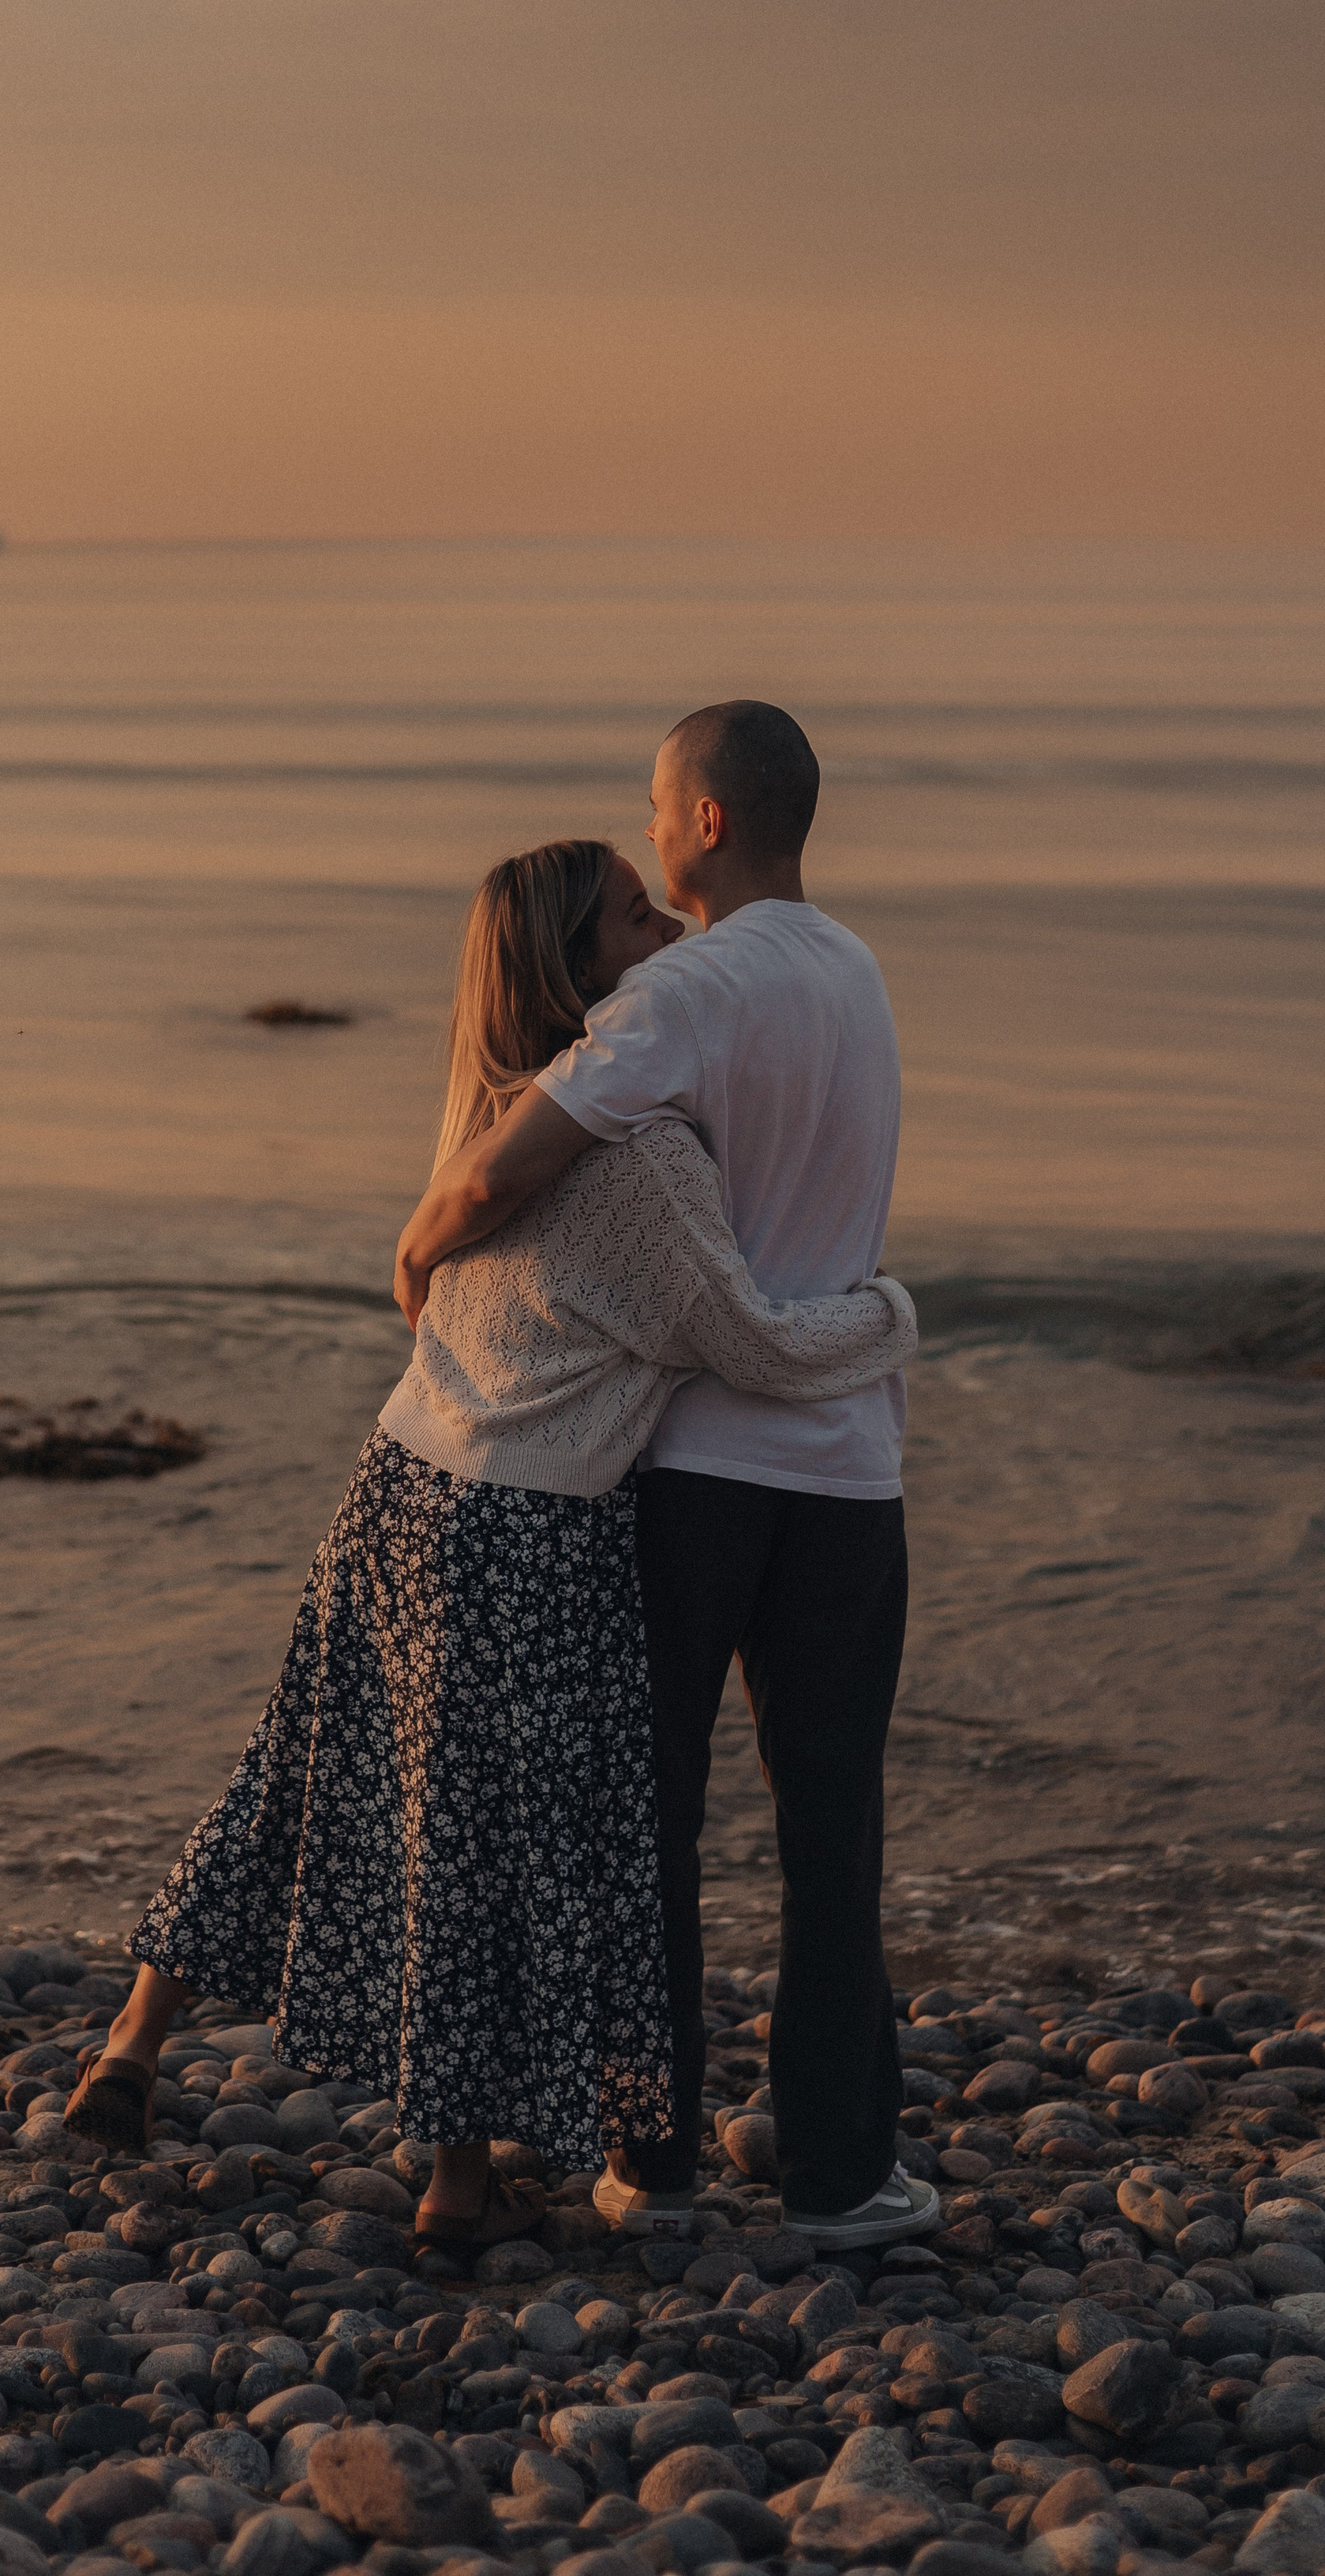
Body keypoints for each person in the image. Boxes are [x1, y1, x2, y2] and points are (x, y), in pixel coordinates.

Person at [69, 835, 918, 2250]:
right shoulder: (640, 1160)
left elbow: (461, 1240)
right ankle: (457, 2187)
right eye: (634, 922)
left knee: (301, 1775)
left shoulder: (488, 1113)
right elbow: (755, 1339)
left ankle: (130, 2045)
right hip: (518, 1528)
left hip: (396, 1484)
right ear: (575, 968)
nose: (664, 932)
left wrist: (409, 1252)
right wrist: (894, 1314)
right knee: (479, 1843)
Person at [392, 703, 936, 2249]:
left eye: (652, 809)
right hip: (843, 1463)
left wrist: (418, 1246)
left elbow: (508, 1157)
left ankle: (653, 2167)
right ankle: (840, 2176)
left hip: (688, 1468)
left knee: (650, 1827)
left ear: (703, 822)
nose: (642, 838)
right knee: (832, 1831)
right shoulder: (856, 971)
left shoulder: (681, 990)